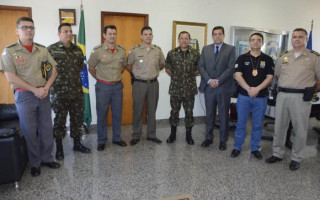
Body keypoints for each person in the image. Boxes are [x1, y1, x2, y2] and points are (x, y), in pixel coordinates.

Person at [0, 17, 60, 176]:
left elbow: (54, 70)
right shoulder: (9, 51)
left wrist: (46, 87)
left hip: (44, 94)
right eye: (25, 27)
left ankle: (47, 158)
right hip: (25, 96)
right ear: (17, 30)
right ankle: (35, 163)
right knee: (29, 131)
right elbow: (10, 77)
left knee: (47, 129)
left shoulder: (42, 49)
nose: (29, 30)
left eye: (32, 28)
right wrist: (34, 90)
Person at [266, 28, 320, 170]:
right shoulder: (284, 56)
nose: (297, 39)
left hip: (301, 97)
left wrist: (313, 90)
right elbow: (277, 75)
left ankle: (296, 157)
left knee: (300, 129)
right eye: (294, 37)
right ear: (291, 39)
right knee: (280, 126)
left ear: (306, 39)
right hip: (283, 95)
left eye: (300, 37)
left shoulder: (314, 57)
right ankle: (277, 153)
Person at [47, 23, 91, 160]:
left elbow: (80, 68)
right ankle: (59, 147)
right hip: (59, 93)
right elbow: (47, 70)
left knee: (77, 119)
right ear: (59, 33)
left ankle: (77, 144)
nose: (68, 34)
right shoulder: (51, 50)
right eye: (65, 31)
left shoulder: (78, 50)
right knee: (59, 121)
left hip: (76, 91)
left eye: (70, 31)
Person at [230, 33, 274, 159]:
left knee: (257, 124)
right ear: (249, 42)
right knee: (241, 123)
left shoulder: (268, 59)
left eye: (258, 40)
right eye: (253, 40)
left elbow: (270, 77)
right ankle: (237, 147)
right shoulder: (242, 58)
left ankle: (255, 148)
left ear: (262, 43)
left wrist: (257, 89)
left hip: (261, 97)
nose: (255, 42)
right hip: (244, 96)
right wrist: (249, 89)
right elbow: (237, 75)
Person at [88, 25, 127, 151]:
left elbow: (123, 66)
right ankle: (101, 140)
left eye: (114, 34)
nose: (112, 36)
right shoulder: (97, 51)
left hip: (117, 87)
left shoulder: (121, 50)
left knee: (117, 114)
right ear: (104, 35)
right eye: (109, 34)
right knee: (102, 114)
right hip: (103, 87)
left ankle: (116, 138)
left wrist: (115, 76)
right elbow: (91, 68)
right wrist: (100, 78)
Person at [198, 26, 236, 150]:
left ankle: (223, 140)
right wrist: (209, 80)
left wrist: (218, 81)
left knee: (224, 115)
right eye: (215, 34)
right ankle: (208, 138)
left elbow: (231, 68)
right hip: (209, 87)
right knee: (209, 114)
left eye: (220, 34)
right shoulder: (206, 49)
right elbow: (201, 66)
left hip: (223, 87)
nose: (217, 36)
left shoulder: (230, 49)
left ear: (223, 35)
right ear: (212, 36)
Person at [127, 26, 165, 146]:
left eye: (150, 34)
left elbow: (162, 64)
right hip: (139, 84)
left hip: (153, 84)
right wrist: (135, 74)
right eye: (146, 34)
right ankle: (136, 135)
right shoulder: (135, 51)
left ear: (152, 36)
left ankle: (151, 135)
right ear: (141, 36)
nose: (148, 36)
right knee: (137, 110)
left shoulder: (157, 50)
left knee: (152, 111)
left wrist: (153, 72)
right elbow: (128, 65)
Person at [165, 31, 200, 145]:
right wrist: (177, 78)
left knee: (189, 112)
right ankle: (172, 135)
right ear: (178, 40)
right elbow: (168, 68)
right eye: (182, 38)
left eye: (186, 38)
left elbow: (198, 69)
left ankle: (188, 136)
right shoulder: (172, 53)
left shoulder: (195, 53)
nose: (184, 40)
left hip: (189, 89)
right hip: (176, 89)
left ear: (189, 40)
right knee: (174, 111)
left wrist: (188, 77)